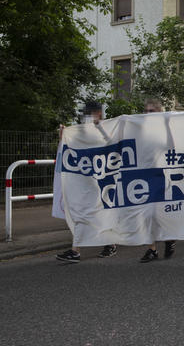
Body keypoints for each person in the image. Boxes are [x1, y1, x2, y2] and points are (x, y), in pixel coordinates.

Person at [56, 101, 117, 262]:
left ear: (98, 114)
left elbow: (111, 144)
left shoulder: (104, 129)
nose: (89, 117)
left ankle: (106, 244)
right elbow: (70, 147)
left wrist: (100, 127)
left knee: (92, 214)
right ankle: (78, 250)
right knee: (81, 213)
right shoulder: (82, 130)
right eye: (87, 114)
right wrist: (64, 136)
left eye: (91, 113)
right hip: (81, 181)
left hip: (96, 181)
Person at [139, 99, 176, 263]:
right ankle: (151, 249)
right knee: (146, 215)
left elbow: (172, 148)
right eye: (146, 111)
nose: (148, 114)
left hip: (162, 177)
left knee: (160, 214)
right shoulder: (140, 130)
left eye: (151, 111)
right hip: (144, 178)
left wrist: (167, 126)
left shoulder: (163, 130)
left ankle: (169, 239)